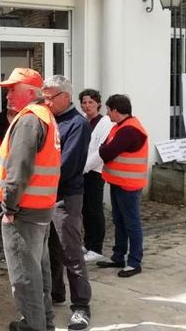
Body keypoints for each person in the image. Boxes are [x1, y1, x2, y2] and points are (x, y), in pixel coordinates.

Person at [0, 68, 60, 331]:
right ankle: (43, 323)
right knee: (38, 272)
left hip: (23, 212)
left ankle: (34, 325)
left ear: (30, 93)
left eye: (12, 89)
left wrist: (9, 208)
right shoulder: (45, 117)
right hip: (38, 209)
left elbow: (18, 172)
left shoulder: (29, 120)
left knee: (25, 277)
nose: (7, 94)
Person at [43, 75, 92, 330]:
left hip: (66, 197)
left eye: (50, 97)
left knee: (70, 251)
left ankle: (82, 306)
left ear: (65, 96)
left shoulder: (77, 124)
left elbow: (68, 165)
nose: (46, 101)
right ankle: (56, 292)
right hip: (46, 194)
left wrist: (35, 175)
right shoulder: (51, 119)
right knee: (51, 249)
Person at [97, 94, 147, 278]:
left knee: (131, 223)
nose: (107, 114)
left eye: (108, 110)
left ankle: (134, 262)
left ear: (115, 110)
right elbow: (104, 147)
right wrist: (104, 148)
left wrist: (104, 149)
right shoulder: (121, 127)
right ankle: (118, 256)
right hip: (119, 182)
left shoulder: (129, 130)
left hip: (128, 185)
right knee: (120, 221)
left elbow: (106, 151)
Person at [79, 89, 114, 262]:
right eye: (84, 103)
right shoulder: (84, 121)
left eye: (90, 102)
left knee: (94, 209)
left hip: (95, 171)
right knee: (85, 209)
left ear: (98, 104)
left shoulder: (104, 122)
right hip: (82, 171)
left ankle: (96, 247)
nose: (87, 106)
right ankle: (88, 242)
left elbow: (100, 150)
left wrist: (84, 167)